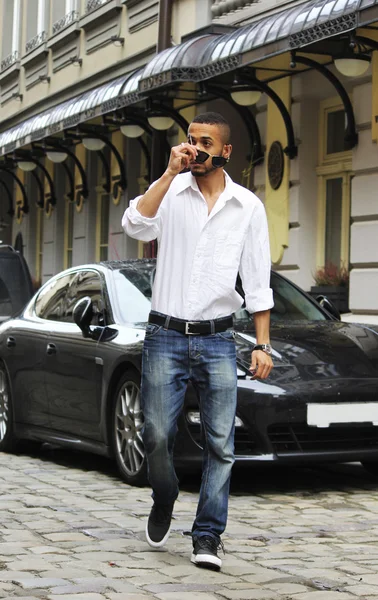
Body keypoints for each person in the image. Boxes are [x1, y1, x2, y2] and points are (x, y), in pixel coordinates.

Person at [122, 111, 274, 571]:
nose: (196, 148)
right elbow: (134, 224)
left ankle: (207, 535)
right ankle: (165, 495)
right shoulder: (172, 194)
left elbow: (258, 280)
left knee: (221, 446)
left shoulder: (247, 207)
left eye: (205, 142)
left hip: (218, 340)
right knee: (156, 434)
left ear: (226, 151)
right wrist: (169, 173)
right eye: (191, 139)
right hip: (164, 334)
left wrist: (262, 345)